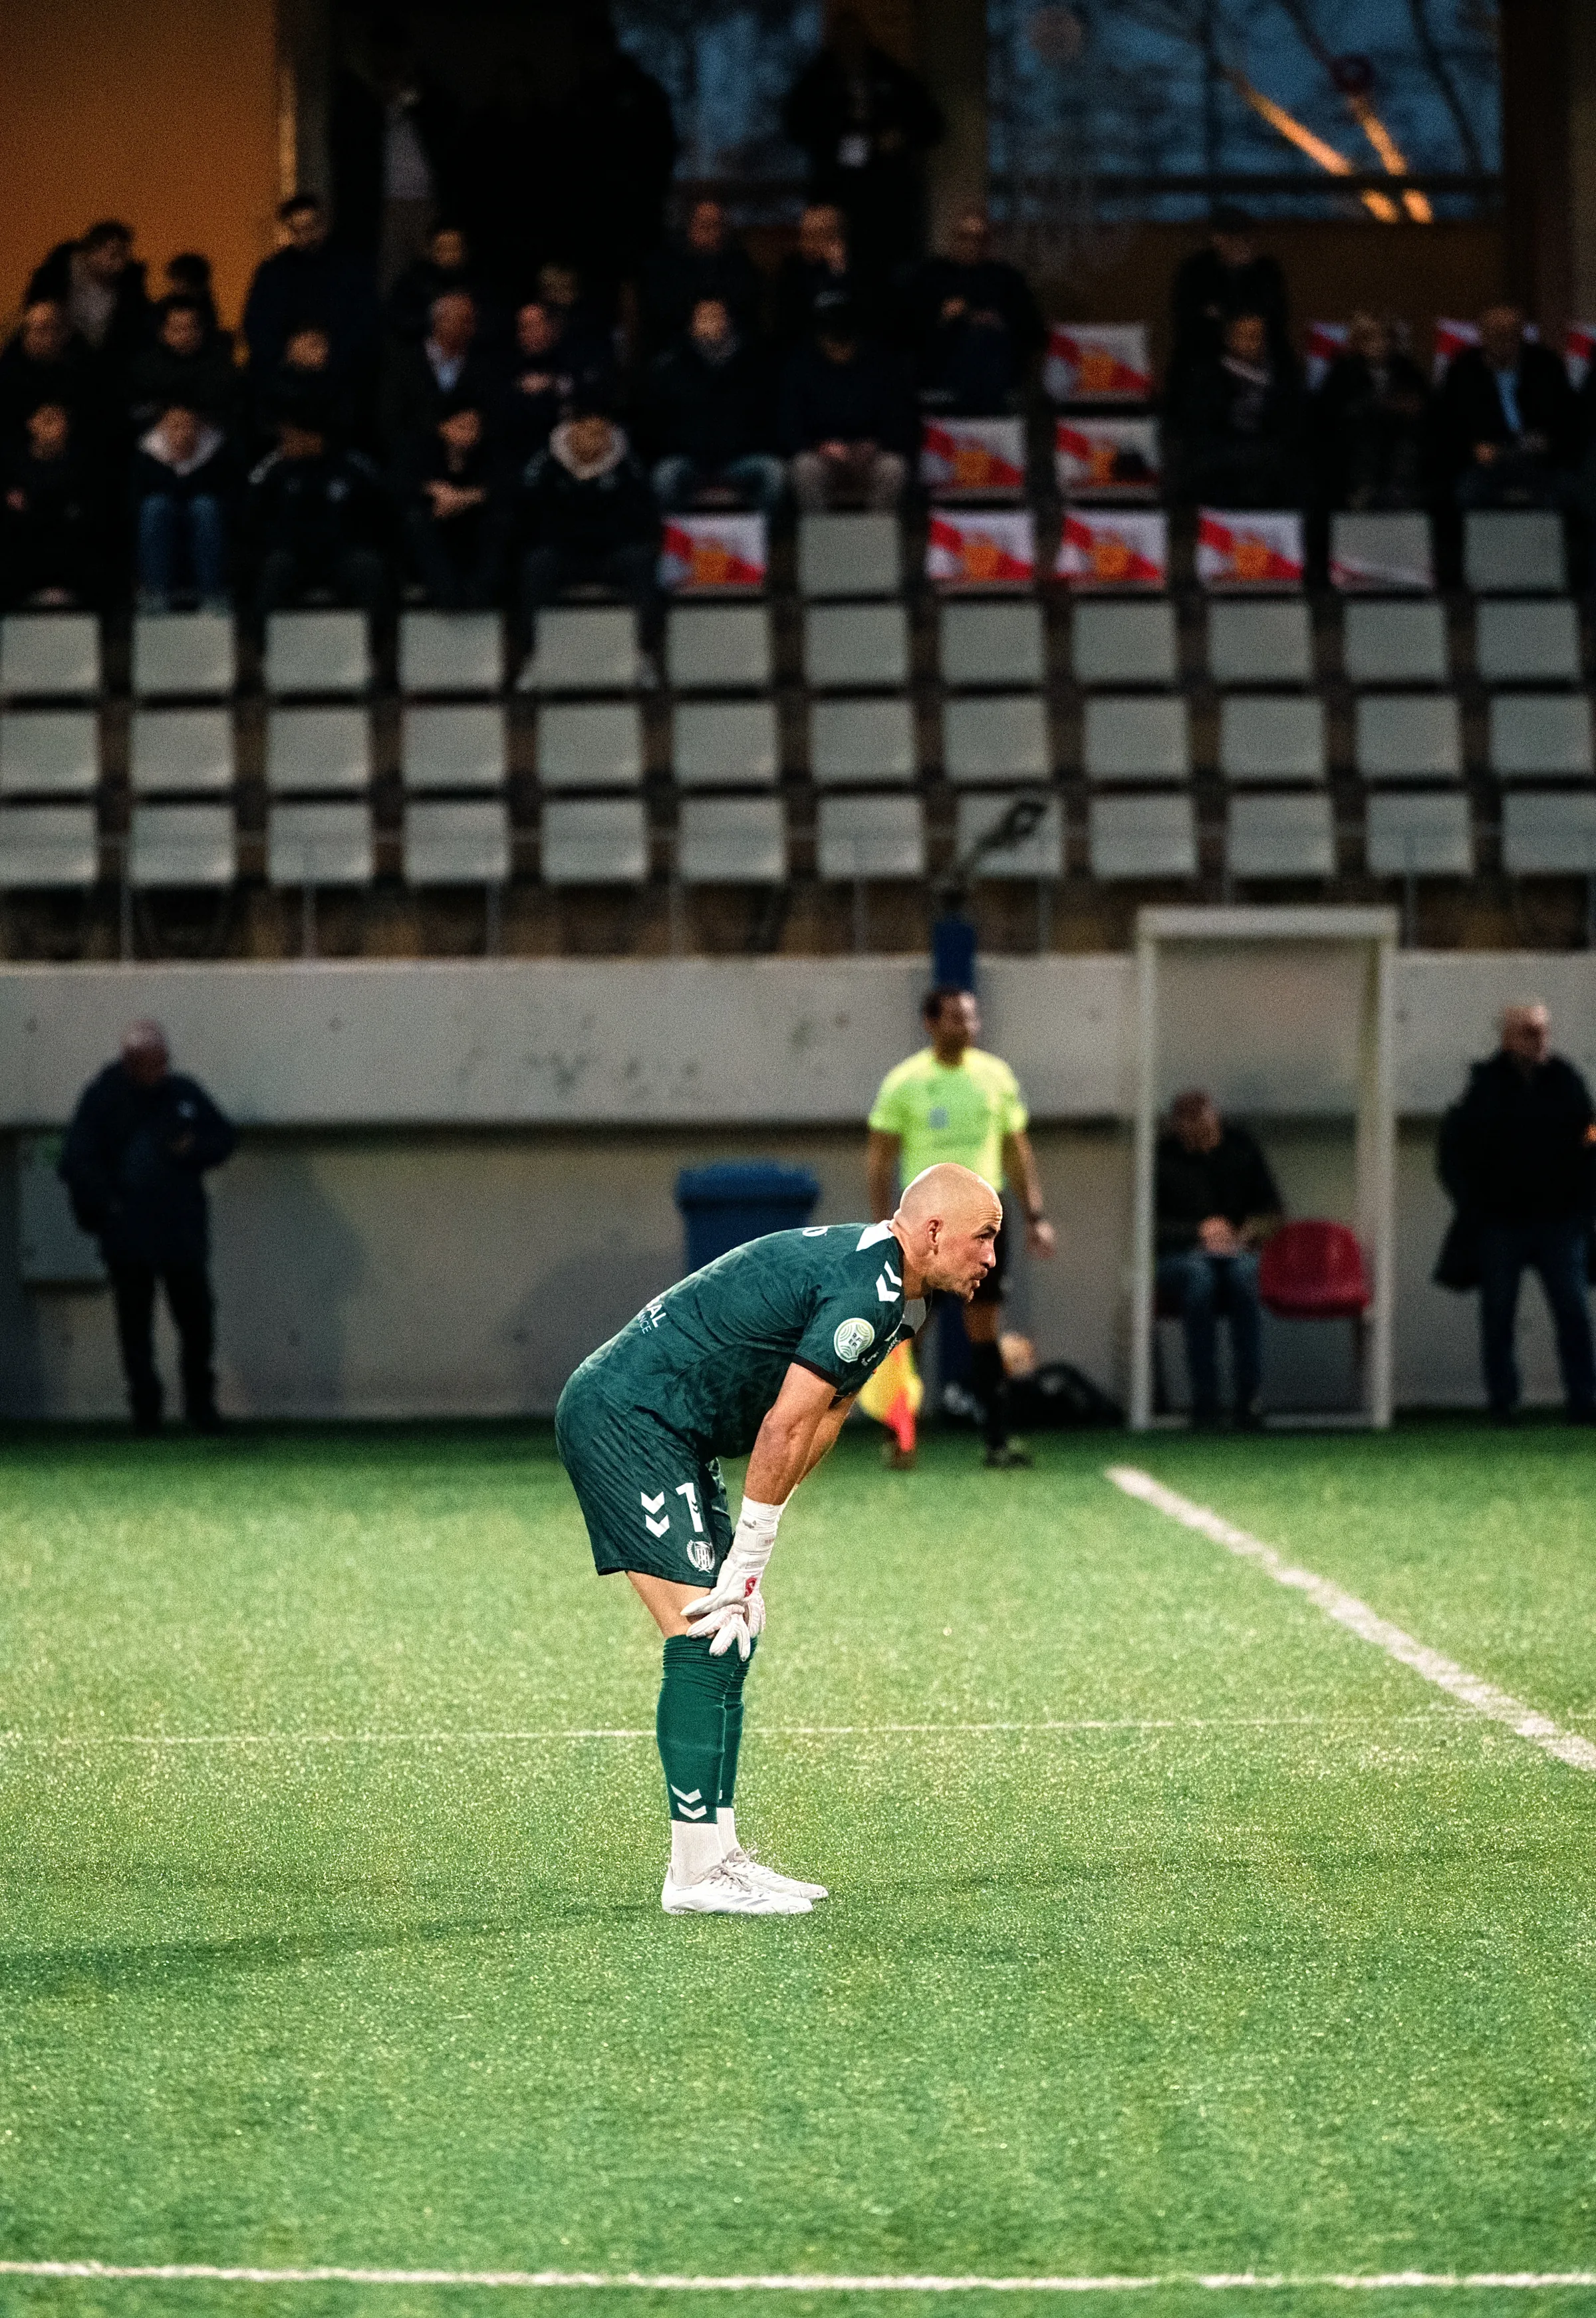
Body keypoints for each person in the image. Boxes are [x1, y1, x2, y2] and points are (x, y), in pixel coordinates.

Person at [557, 1160, 998, 1914]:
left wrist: (754, 1556)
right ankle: (693, 1874)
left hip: (676, 1428)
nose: (991, 1255)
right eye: (983, 1236)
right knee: (703, 1636)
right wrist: (748, 1555)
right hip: (629, 1416)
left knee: (731, 1629)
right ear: (932, 1231)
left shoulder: (903, 1302)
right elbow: (782, 1425)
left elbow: (825, 1417)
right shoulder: (868, 1290)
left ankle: (718, 1856)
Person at [866, 988, 1055, 1468]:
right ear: (930, 1023)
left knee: (984, 1328)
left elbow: (1016, 1150)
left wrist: (1035, 1215)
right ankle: (900, 1436)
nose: (967, 1026)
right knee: (908, 1328)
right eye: (955, 1018)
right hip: (925, 1225)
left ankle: (997, 1442)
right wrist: (882, 1223)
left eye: (971, 1017)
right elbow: (880, 1159)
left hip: (984, 1223)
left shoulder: (996, 1076)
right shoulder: (905, 1082)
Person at [59, 1021, 236, 1435]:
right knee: (135, 1322)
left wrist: (194, 1148)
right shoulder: (103, 1100)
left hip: (180, 1228)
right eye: (150, 1064)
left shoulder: (183, 1093)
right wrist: (110, 1206)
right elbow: (76, 1161)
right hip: (129, 1232)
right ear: (129, 1062)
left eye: (163, 1062)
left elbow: (225, 1137)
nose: (160, 1072)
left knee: (196, 1318)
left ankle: (200, 1406)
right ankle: (146, 1411)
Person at [1436, 1002, 1595, 1424]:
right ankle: (1503, 1402)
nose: (1540, 1039)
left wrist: (1586, 1200)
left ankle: (1584, 1400)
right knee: (1498, 1313)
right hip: (1501, 1222)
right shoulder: (1483, 1084)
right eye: (1529, 1031)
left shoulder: (1566, 1079)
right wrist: (1471, 1202)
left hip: (1560, 1220)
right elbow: (1455, 1143)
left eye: (1543, 1030)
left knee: (1573, 1310)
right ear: (1508, 1038)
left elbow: (1591, 1131)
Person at [781, 7, 944, 286]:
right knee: (836, 273)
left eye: (855, 38)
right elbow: (796, 126)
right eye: (843, 38)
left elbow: (930, 124)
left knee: (885, 276)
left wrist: (900, 136)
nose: (850, 46)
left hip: (886, 199)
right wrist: (833, 139)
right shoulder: (818, 79)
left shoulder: (890, 75)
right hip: (836, 193)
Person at [1154, 1091, 1283, 1430]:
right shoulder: (1162, 1158)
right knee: (1200, 1282)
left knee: (1243, 1280)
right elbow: (1150, 1225)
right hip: (1181, 1256)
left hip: (1238, 1252)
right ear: (1178, 1128)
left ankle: (1249, 1398)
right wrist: (1197, 1232)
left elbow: (1272, 1213)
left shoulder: (1243, 1149)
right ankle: (1205, 1400)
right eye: (1192, 1130)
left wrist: (1243, 1234)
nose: (1201, 1138)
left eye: (1207, 1129)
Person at [519, 400, 662, 658]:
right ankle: (531, 654)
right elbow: (539, 521)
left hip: (611, 554)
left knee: (641, 560)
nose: (597, 441)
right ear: (573, 430)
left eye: (603, 434)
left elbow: (638, 520)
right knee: (536, 564)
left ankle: (646, 653)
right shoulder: (545, 465)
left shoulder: (628, 466)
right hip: (564, 554)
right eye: (590, 433)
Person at [644, 298, 783, 518]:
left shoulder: (753, 365)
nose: (710, 323)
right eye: (703, 318)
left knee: (773, 472)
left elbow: (767, 418)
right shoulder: (670, 367)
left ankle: (758, 536)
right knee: (665, 476)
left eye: (716, 316)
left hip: (739, 460)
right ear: (692, 325)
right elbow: (657, 424)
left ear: (729, 321)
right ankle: (677, 537)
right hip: (690, 461)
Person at [899, 208, 1045, 415]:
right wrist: (942, 316)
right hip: (943, 364)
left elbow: (1034, 330)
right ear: (954, 239)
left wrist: (1001, 322)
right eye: (965, 237)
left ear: (988, 242)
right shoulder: (930, 276)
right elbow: (906, 330)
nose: (971, 245)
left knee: (984, 341)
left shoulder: (1006, 278)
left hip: (997, 367)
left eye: (979, 239)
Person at [1437, 305, 1579, 511]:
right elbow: (1448, 422)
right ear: (1482, 336)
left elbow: (1568, 417)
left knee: (1566, 490)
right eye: (1495, 335)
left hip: (1540, 460)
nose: (1502, 342)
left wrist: (1549, 441)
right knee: (1466, 493)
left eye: (1509, 335)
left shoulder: (1546, 365)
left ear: (1521, 335)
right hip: (1485, 462)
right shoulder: (1463, 369)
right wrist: (1473, 448)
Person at [246, 414, 388, 620]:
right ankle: (258, 637)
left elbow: (376, 516)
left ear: (313, 438)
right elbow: (255, 517)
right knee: (275, 567)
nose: (284, 444)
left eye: (291, 437)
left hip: (341, 555)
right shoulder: (276, 469)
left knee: (368, 566)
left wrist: (348, 539)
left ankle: (380, 637)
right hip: (295, 557)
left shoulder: (352, 466)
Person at [779, 304, 916, 512]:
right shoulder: (801, 369)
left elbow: (902, 421)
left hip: (870, 457)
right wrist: (818, 446)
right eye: (833, 346)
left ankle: (875, 531)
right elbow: (789, 425)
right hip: (823, 458)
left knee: (893, 467)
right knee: (804, 467)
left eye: (845, 346)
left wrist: (876, 445)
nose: (840, 353)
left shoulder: (881, 368)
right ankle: (820, 531)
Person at [242, 193, 380, 385]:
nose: (306, 236)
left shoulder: (350, 269)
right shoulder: (273, 273)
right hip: (283, 379)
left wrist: (331, 350)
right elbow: (256, 324)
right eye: (297, 230)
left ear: (323, 225)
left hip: (340, 377)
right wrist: (289, 351)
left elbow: (366, 321)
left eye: (311, 227)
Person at [1176, 310, 1304, 509]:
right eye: (1245, 336)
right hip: (1221, 459)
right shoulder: (1208, 377)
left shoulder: (1283, 377)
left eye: (1257, 336)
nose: (1252, 343)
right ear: (1229, 339)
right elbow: (1200, 428)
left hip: (1270, 459)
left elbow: (1291, 426)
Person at [1312, 311, 1430, 511]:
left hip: (1399, 442)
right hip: (1356, 445)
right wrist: (1376, 407)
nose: (1381, 344)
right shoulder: (1343, 371)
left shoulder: (1408, 370)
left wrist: (1408, 409)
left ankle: (1401, 496)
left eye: (1386, 337)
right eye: (1372, 338)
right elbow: (1329, 414)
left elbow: (1425, 407)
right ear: (1359, 342)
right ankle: (1361, 496)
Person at [402, 395, 510, 609]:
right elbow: (399, 483)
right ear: (443, 426)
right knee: (415, 520)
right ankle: (445, 594)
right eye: (461, 427)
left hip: (474, 529)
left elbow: (507, 486)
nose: (469, 434)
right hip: (437, 527)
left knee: (501, 521)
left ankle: (480, 593)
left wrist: (465, 498)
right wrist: (434, 490)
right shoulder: (422, 451)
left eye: (474, 428)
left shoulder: (489, 453)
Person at [1168, 207, 1291, 390]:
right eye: (1237, 238)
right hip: (1209, 356)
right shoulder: (1197, 270)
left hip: (1260, 355)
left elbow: (1274, 314)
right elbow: (1189, 316)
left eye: (1248, 238)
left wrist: (1244, 275)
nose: (1244, 245)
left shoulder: (1265, 270)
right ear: (1218, 239)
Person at [130, 404, 233, 611]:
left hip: (203, 529)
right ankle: (155, 595)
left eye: (188, 426)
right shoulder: (146, 457)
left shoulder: (217, 455)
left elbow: (227, 496)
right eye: (175, 426)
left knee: (205, 507)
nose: (182, 433)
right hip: (164, 531)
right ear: (162, 428)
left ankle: (211, 595)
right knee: (155, 507)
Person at [1, 404, 103, 608]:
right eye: (46, 420)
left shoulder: (82, 465)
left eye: (58, 420)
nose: (52, 428)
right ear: (31, 424)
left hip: (70, 548)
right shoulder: (11, 465)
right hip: (24, 548)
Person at [378, 289, 499, 462]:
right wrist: (439, 430)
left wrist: (474, 422)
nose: (471, 328)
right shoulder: (405, 363)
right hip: (411, 460)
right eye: (464, 320)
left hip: (468, 462)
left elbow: (489, 411)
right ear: (440, 321)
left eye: (473, 321)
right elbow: (391, 419)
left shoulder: (482, 367)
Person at [26, 219, 151, 382]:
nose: (119, 265)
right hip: (56, 356)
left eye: (124, 256)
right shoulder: (56, 274)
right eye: (113, 255)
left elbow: (134, 325)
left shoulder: (130, 284)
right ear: (91, 251)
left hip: (106, 364)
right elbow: (35, 308)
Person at [641, 199, 766, 354]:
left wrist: (720, 314)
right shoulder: (669, 263)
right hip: (681, 342)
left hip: (732, 343)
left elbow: (749, 302)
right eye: (703, 225)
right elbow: (662, 308)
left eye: (715, 225)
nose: (709, 232)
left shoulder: (739, 262)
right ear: (691, 227)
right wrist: (695, 315)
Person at [127, 296, 239, 433]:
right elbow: (136, 410)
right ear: (163, 331)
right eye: (177, 329)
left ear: (202, 330)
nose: (185, 336)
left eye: (191, 328)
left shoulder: (220, 367)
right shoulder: (145, 367)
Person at [0, 302, 100, 448]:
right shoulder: (8, 371)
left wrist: (66, 423)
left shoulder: (81, 367)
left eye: (56, 329)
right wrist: (31, 428)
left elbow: (92, 411)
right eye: (41, 330)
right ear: (25, 334)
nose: (50, 338)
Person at [773, 203, 858, 350]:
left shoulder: (858, 269)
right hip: (805, 349)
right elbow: (787, 322)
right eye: (807, 235)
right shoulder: (791, 272)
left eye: (822, 234)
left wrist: (839, 271)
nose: (810, 243)